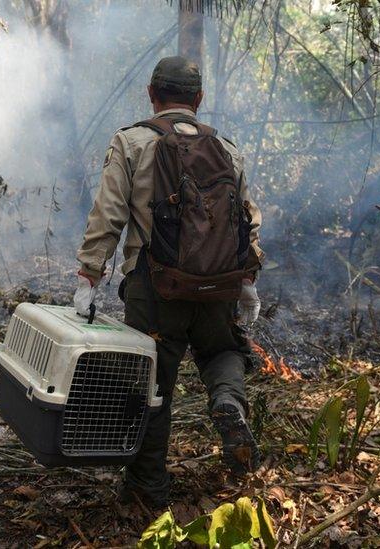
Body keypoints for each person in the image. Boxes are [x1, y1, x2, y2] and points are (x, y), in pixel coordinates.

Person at [73, 56, 265, 508]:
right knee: (223, 350)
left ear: (151, 93)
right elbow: (246, 222)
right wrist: (248, 281)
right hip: (218, 285)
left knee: (152, 387)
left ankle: (148, 490)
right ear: (198, 99)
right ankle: (228, 402)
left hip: (156, 286)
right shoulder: (228, 150)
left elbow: (109, 215)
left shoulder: (132, 141)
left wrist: (89, 275)